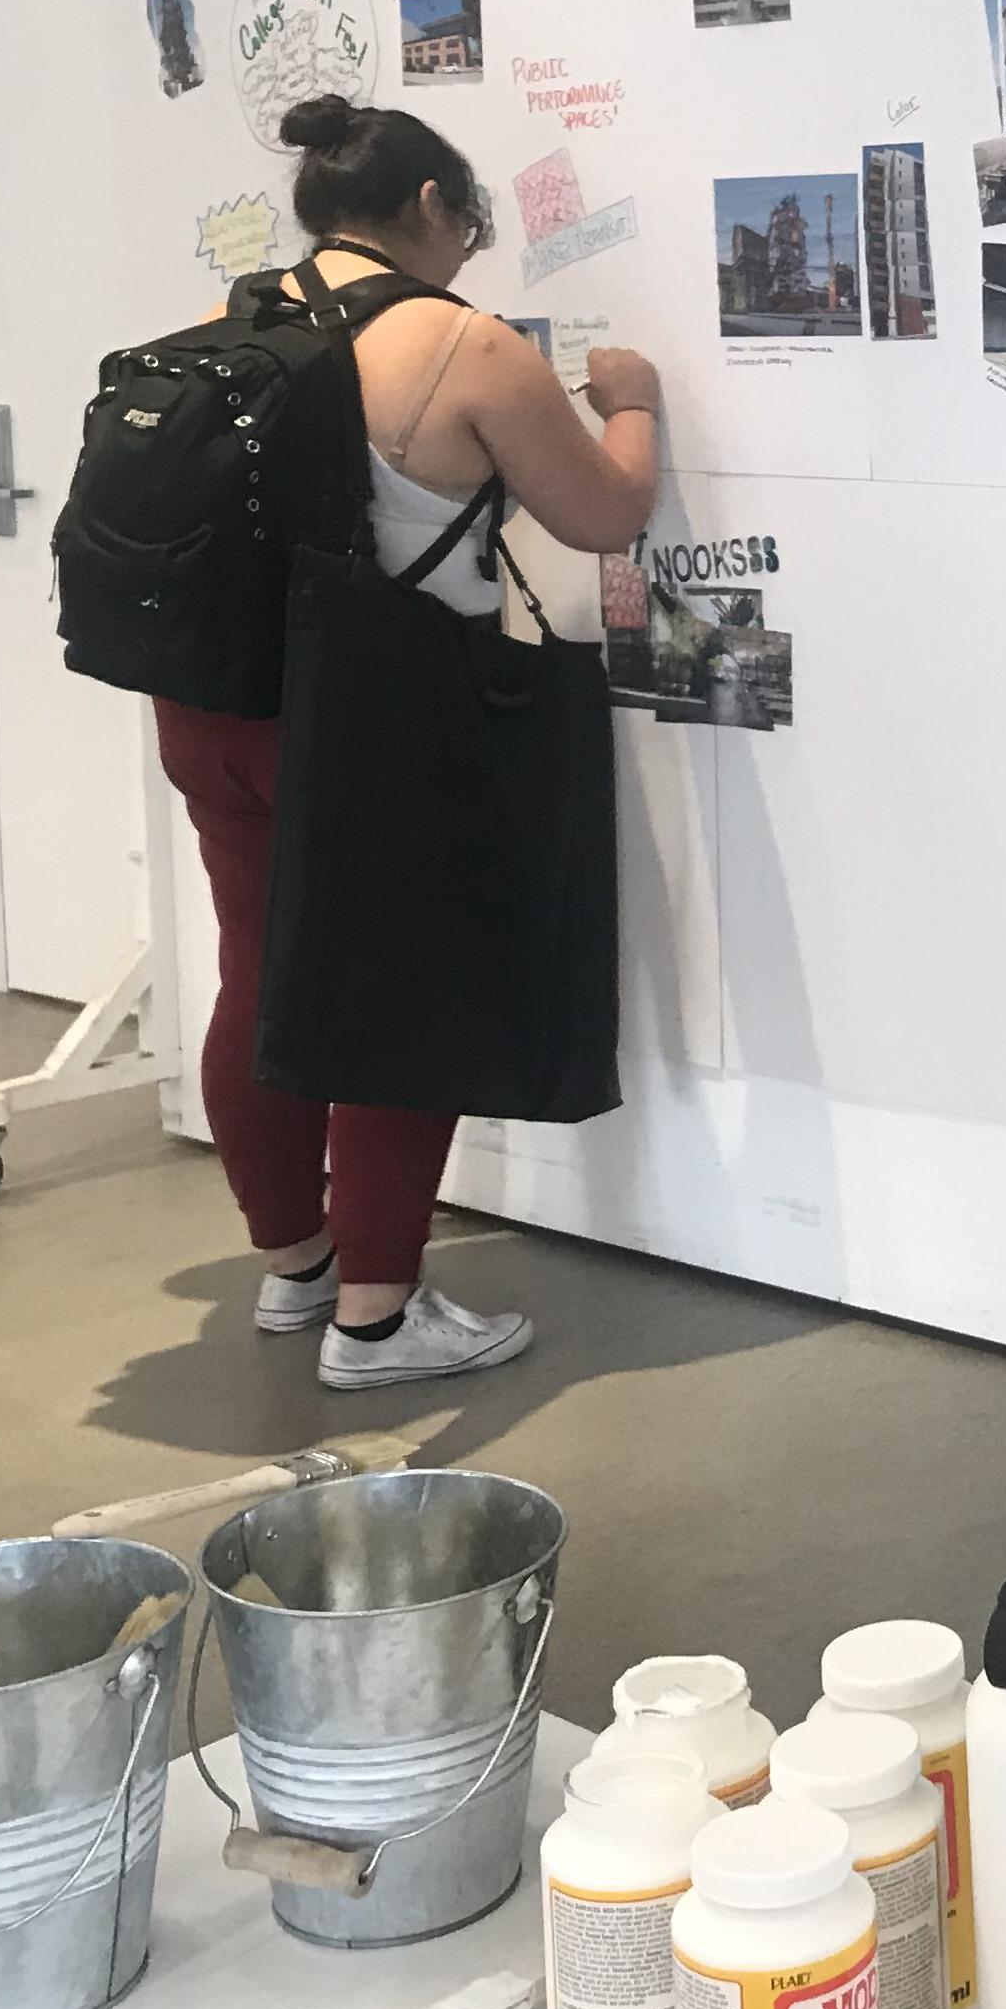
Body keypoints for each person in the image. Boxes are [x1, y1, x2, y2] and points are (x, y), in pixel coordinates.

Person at [151, 97, 663, 1389]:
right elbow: (604, 514)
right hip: (370, 715)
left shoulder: (237, 318)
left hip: (214, 704)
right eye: (467, 224)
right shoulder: (461, 344)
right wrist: (634, 405)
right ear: (431, 208)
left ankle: (298, 1265)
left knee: (260, 976)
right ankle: (378, 1320)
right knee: (392, 997)